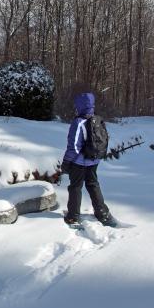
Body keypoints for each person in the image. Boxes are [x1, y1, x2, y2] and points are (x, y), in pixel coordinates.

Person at [61, 93, 116, 227]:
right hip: (94, 160)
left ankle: (73, 216)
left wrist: (66, 162)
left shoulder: (78, 122)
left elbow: (74, 147)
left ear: (79, 106)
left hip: (79, 162)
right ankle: (102, 213)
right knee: (93, 185)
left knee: (75, 187)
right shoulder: (97, 119)